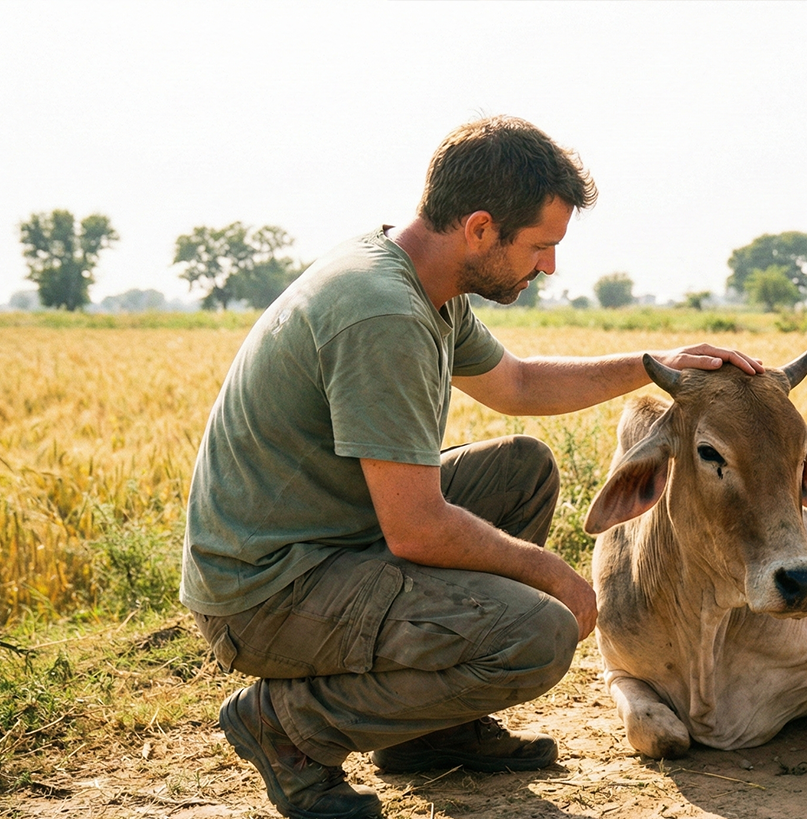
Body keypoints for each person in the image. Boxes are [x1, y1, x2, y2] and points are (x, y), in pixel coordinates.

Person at [180, 115, 762, 819]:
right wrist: (555, 577)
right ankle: (288, 727)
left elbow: (516, 384)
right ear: (481, 228)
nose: (548, 266)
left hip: (325, 543)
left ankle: (428, 729)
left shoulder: (423, 278)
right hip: (267, 593)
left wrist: (653, 364)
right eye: (540, 246)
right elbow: (418, 529)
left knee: (523, 471)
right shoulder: (383, 315)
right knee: (537, 635)